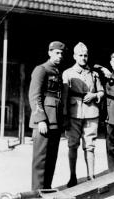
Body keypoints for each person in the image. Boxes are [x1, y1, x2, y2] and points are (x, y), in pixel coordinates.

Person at [62, 42, 104, 187]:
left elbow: (101, 92)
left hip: (91, 112)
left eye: (85, 55)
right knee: (72, 145)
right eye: (80, 55)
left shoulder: (94, 74)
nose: (83, 58)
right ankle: (72, 176)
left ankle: (91, 176)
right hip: (74, 113)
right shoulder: (67, 73)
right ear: (74, 56)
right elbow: (65, 97)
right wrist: (65, 116)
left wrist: (94, 96)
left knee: (90, 146)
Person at [28, 41, 66, 190]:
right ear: (49, 52)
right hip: (44, 121)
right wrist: (41, 120)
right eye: (57, 53)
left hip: (54, 120)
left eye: (62, 54)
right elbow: (34, 96)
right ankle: (37, 192)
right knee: (41, 159)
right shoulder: (41, 69)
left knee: (51, 158)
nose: (60, 56)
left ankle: (46, 189)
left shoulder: (56, 71)